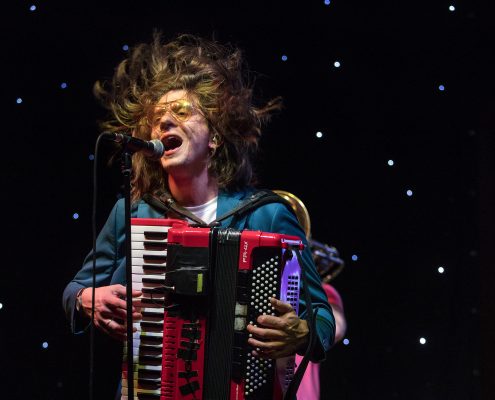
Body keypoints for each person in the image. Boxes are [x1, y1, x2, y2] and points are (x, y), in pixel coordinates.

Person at [62, 32, 336, 396]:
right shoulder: (133, 213)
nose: (164, 122)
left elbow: (322, 316)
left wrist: (303, 333)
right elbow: (75, 289)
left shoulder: (267, 214)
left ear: (214, 138)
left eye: (181, 111)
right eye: (157, 118)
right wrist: (85, 299)